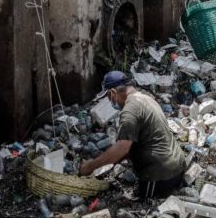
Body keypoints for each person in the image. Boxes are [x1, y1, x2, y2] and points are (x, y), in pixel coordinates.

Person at [78, 71, 186, 200]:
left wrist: (89, 167)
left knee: (139, 204)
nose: (109, 101)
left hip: (161, 175)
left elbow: (122, 148)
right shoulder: (146, 98)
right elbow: (132, 145)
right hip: (178, 166)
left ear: (113, 93)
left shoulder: (130, 110)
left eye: (108, 97)